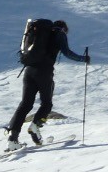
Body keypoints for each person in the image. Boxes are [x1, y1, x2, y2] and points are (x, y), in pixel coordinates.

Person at [6, 19, 89, 151]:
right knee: (46, 103)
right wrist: (83, 58)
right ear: (63, 28)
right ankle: (35, 126)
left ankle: (12, 139)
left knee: (25, 104)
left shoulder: (38, 33)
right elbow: (67, 52)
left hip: (29, 71)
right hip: (44, 72)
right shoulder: (59, 33)